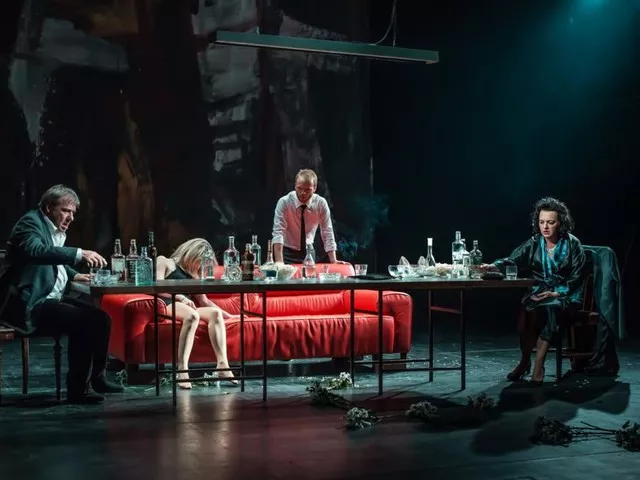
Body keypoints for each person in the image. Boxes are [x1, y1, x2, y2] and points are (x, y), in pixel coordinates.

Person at [0, 184, 123, 404]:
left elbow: (53, 260)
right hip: (32, 303)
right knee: (84, 322)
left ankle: (98, 378)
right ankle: (78, 390)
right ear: (49, 207)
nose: (71, 217)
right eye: (66, 210)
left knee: (102, 319)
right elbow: (36, 251)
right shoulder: (30, 223)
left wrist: (75, 275)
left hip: (50, 298)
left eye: (73, 213)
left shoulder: (53, 229)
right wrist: (79, 253)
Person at [481, 197, 586, 385]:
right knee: (527, 312)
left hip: (565, 294)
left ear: (560, 223)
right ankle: (524, 362)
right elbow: (513, 259)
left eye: (551, 222)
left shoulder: (572, 244)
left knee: (552, 308)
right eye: (541, 222)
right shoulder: (535, 242)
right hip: (538, 291)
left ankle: (538, 365)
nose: (545, 227)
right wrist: (494, 265)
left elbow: (577, 276)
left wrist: (557, 292)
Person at [155, 238, 237, 389]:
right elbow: (157, 288)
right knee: (192, 316)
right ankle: (182, 370)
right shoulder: (165, 261)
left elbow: (204, 301)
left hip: (187, 306)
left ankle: (223, 365)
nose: (200, 266)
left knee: (215, 314)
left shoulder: (195, 274)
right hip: (167, 303)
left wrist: (229, 315)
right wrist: (180, 297)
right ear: (192, 254)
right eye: (200, 261)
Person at [271, 168, 345, 264]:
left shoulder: (320, 203)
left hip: (309, 251)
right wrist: (279, 263)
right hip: (287, 251)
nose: (303, 193)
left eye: (307, 190)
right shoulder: (284, 202)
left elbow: (327, 232)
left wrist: (333, 260)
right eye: (299, 188)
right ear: (295, 186)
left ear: (314, 188)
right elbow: (278, 232)